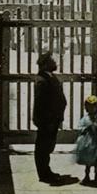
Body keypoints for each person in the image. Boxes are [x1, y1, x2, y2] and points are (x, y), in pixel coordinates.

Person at [32, 51, 67, 183]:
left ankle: (46, 170)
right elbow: (41, 104)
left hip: (53, 119)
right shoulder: (42, 80)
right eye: (52, 60)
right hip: (47, 120)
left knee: (48, 146)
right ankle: (44, 174)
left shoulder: (51, 77)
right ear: (45, 64)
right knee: (43, 147)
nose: (55, 62)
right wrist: (47, 121)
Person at [75, 95, 97, 183]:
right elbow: (79, 128)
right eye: (89, 106)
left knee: (96, 161)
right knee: (88, 161)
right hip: (87, 143)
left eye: (94, 106)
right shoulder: (85, 119)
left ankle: (96, 176)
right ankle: (87, 175)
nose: (91, 108)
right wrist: (86, 128)